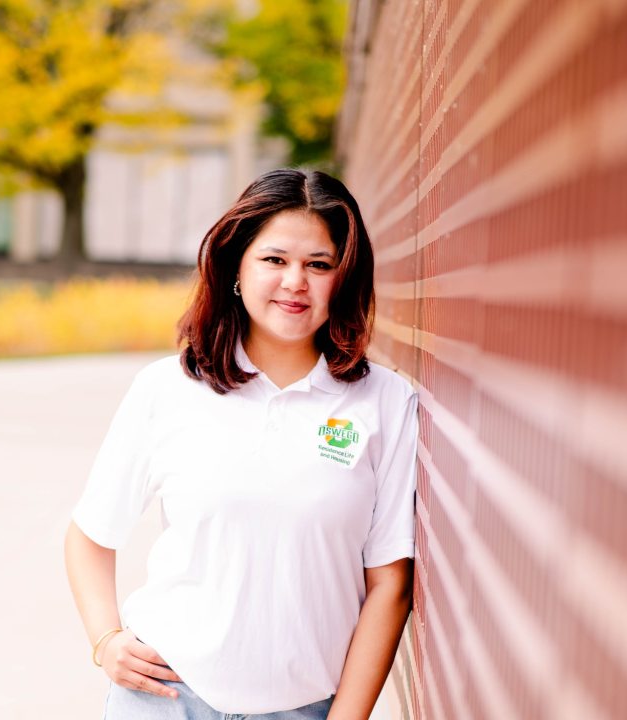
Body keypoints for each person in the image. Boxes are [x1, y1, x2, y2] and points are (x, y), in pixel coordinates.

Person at [64, 168, 418, 720]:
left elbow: (390, 584)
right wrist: (106, 640)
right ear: (236, 266)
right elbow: (90, 535)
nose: (295, 282)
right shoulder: (168, 388)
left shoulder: (385, 403)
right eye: (274, 260)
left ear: (343, 278)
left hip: (304, 707)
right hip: (164, 699)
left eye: (318, 265)